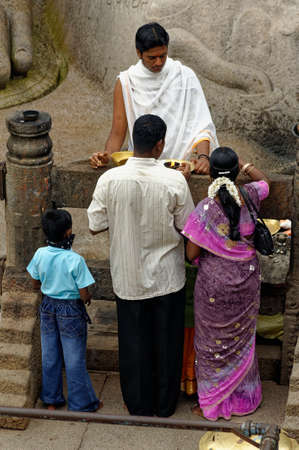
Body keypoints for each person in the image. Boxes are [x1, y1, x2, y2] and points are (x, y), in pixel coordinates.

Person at [88, 114, 195, 417]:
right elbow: (188, 226)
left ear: (134, 142)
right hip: (167, 277)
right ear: (160, 145)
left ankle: (137, 403)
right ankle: (165, 405)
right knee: (166, 342)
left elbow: (95, 224)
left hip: (129, 275)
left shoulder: (109, 179)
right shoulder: (174, 180)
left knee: (134, 343)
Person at [182, 147, 271, 421]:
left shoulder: (206, 208)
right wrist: (245, 164)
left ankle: (212, 402)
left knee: (211, 344)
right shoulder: (250, 195)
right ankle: (244, 398)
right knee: (242, 339)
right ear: (235, 173)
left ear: (210, 174)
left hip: (214, 287)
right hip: (246, 280)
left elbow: (191, 254)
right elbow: (265, 181)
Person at [90, 22, 218, 175]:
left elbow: (201, 125)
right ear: (139, 53)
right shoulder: (126, 82)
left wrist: (204, 157)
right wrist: (106, 157)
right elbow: (117, 132)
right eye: (152, 58)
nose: (158, 62)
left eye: (162, 56)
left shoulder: (185, 76)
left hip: (183, 165)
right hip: (143, 165)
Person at [27, 209, 101, 412]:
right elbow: (84, 293)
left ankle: (51, 399)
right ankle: (81, 403)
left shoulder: (39, 253)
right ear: (68, 232)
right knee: (74, 358)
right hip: (70, 310)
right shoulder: (75, 260)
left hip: (47, 306)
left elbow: (35, 282)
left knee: (50, 354)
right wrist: (87, 299)